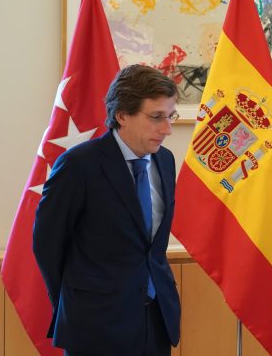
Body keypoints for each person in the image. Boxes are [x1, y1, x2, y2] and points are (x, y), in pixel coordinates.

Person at [33, 65, 181, 355]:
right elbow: (47, 244)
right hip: (94, 325)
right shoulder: (79, 165)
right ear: (122, 115)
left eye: (170, 116)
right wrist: (76, 303)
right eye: (156, 117)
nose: (167, 129)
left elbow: (152, 247)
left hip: (156, 320)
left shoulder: (165, 160)